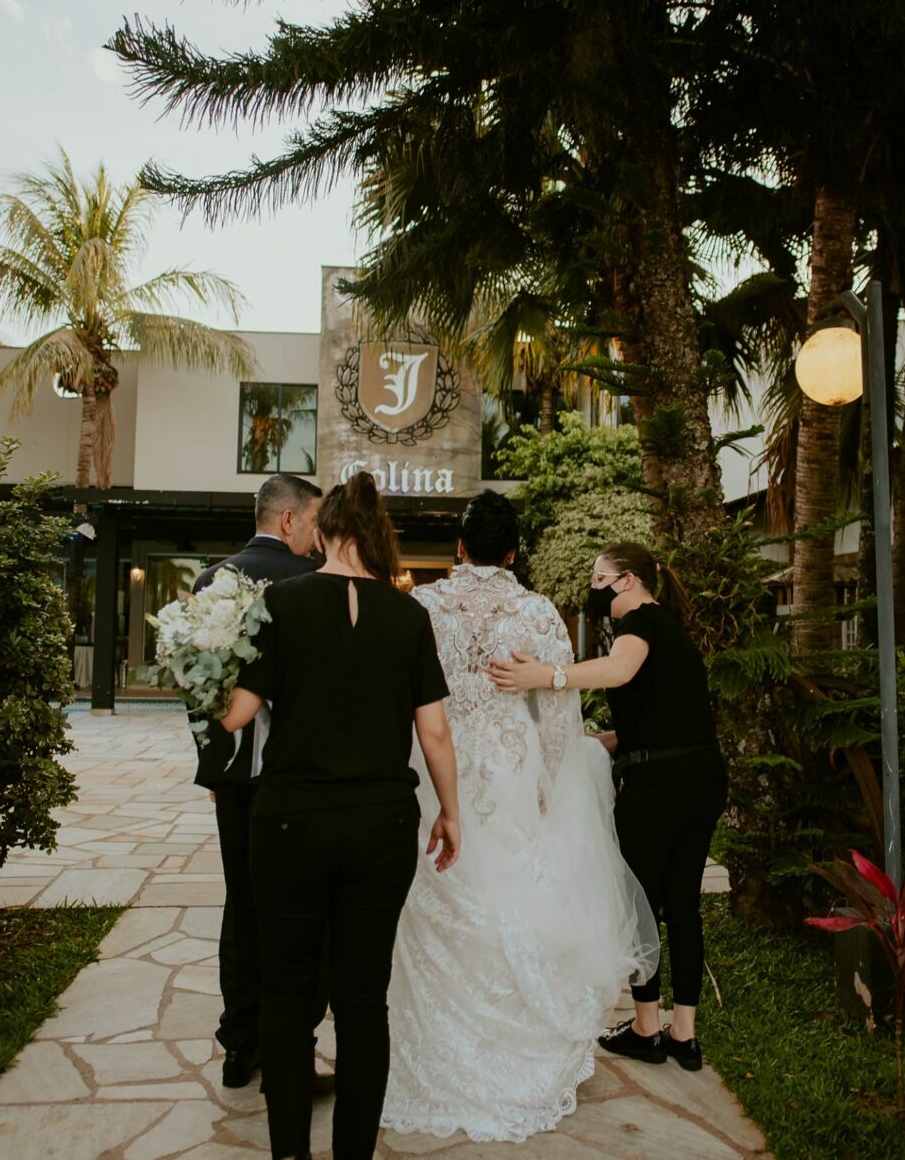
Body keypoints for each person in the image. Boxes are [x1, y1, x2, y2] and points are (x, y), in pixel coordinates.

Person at [381, 492, 657, 1142]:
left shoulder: (424, 603)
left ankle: (440, 1041)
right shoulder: (536, 611)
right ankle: (515, 1036)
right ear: (512, 551)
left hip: (438, 764)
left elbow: (403, 694)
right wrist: (549, 781)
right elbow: (559, 711)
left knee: (443, 890)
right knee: (512, 892)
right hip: (509, 769)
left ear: (459, 545)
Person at [220, 472, 463, 1160]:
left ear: (321, 532)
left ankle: (290, 1154)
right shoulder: (409, 617)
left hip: (291, 824)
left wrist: (207, 677)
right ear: (378, 537)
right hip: (382, 825)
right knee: (363, 1002)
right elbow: (435, 734)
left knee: (287, 996)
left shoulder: (282, 604)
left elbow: (237, 714)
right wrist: (449, 812)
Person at [490, 541, 727, 1071]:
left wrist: (546, 677)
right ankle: (683, 1033)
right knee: (683, 906)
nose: (592, 586)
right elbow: (663, 715)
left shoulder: (638, 623)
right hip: (701, 777)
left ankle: (646, 1027)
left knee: (635, 901)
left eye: (600, 577)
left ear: (628, 582)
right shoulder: (670, 628)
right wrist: (603, 742)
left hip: (659, 787)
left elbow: (619, 672)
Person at [192, 473, 324, 1090]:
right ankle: (288, 1046)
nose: (318, 536)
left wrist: (215, 766)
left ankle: (239, 1045)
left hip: (237, 779)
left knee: (242, 903)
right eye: (316, 522)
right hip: (297, 776)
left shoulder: (211, 581)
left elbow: (198, 690)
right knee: (298, 908)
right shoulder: (310, 583)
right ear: (291, 520)